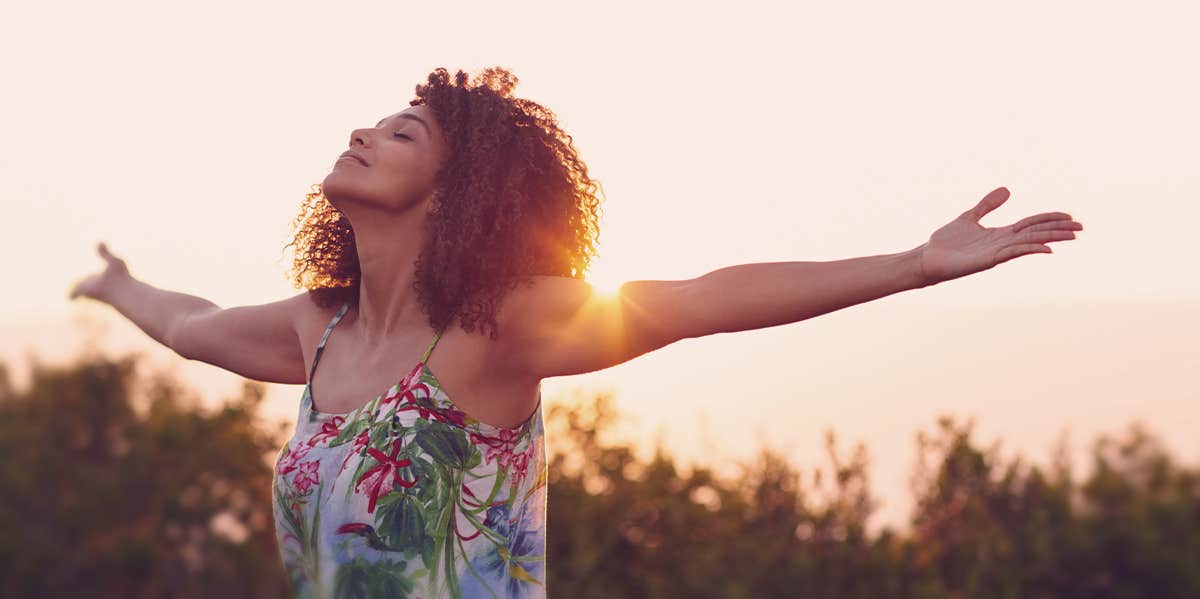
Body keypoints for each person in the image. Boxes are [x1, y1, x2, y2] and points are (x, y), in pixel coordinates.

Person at [67, 66, 1083, 598]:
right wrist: (116, 283)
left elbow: (697, 298)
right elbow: (191, 325)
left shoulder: (497, 328)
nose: (362, 133)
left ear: (455, 192)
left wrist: (913, 262)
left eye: (402, 131)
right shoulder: (315, 332)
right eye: (373, 123)